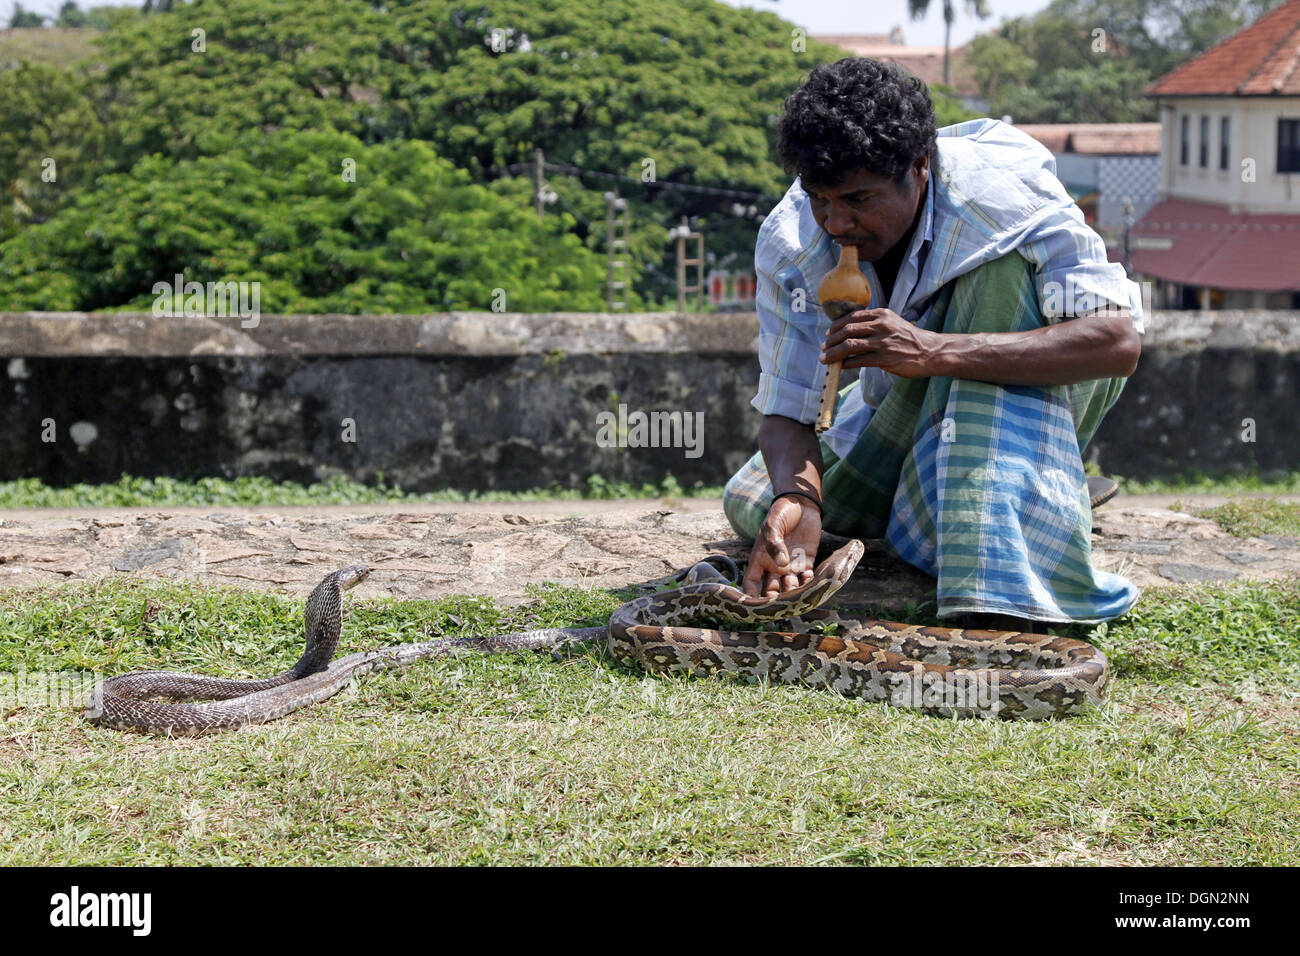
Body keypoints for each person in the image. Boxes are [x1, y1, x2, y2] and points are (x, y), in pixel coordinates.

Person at [724, 58, 1143, 634]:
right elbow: (787, 407)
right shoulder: (792, 240)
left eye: (858, 200)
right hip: (904, 410)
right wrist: (801, 500)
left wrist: (932, 351)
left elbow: (1115, 342)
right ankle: (1034, 495)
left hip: (1021, 393)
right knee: (754, 501)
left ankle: (1002, 566)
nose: (836, 223)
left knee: (995, 276)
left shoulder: (1000, 195)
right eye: (821, 200)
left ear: (920, 166)